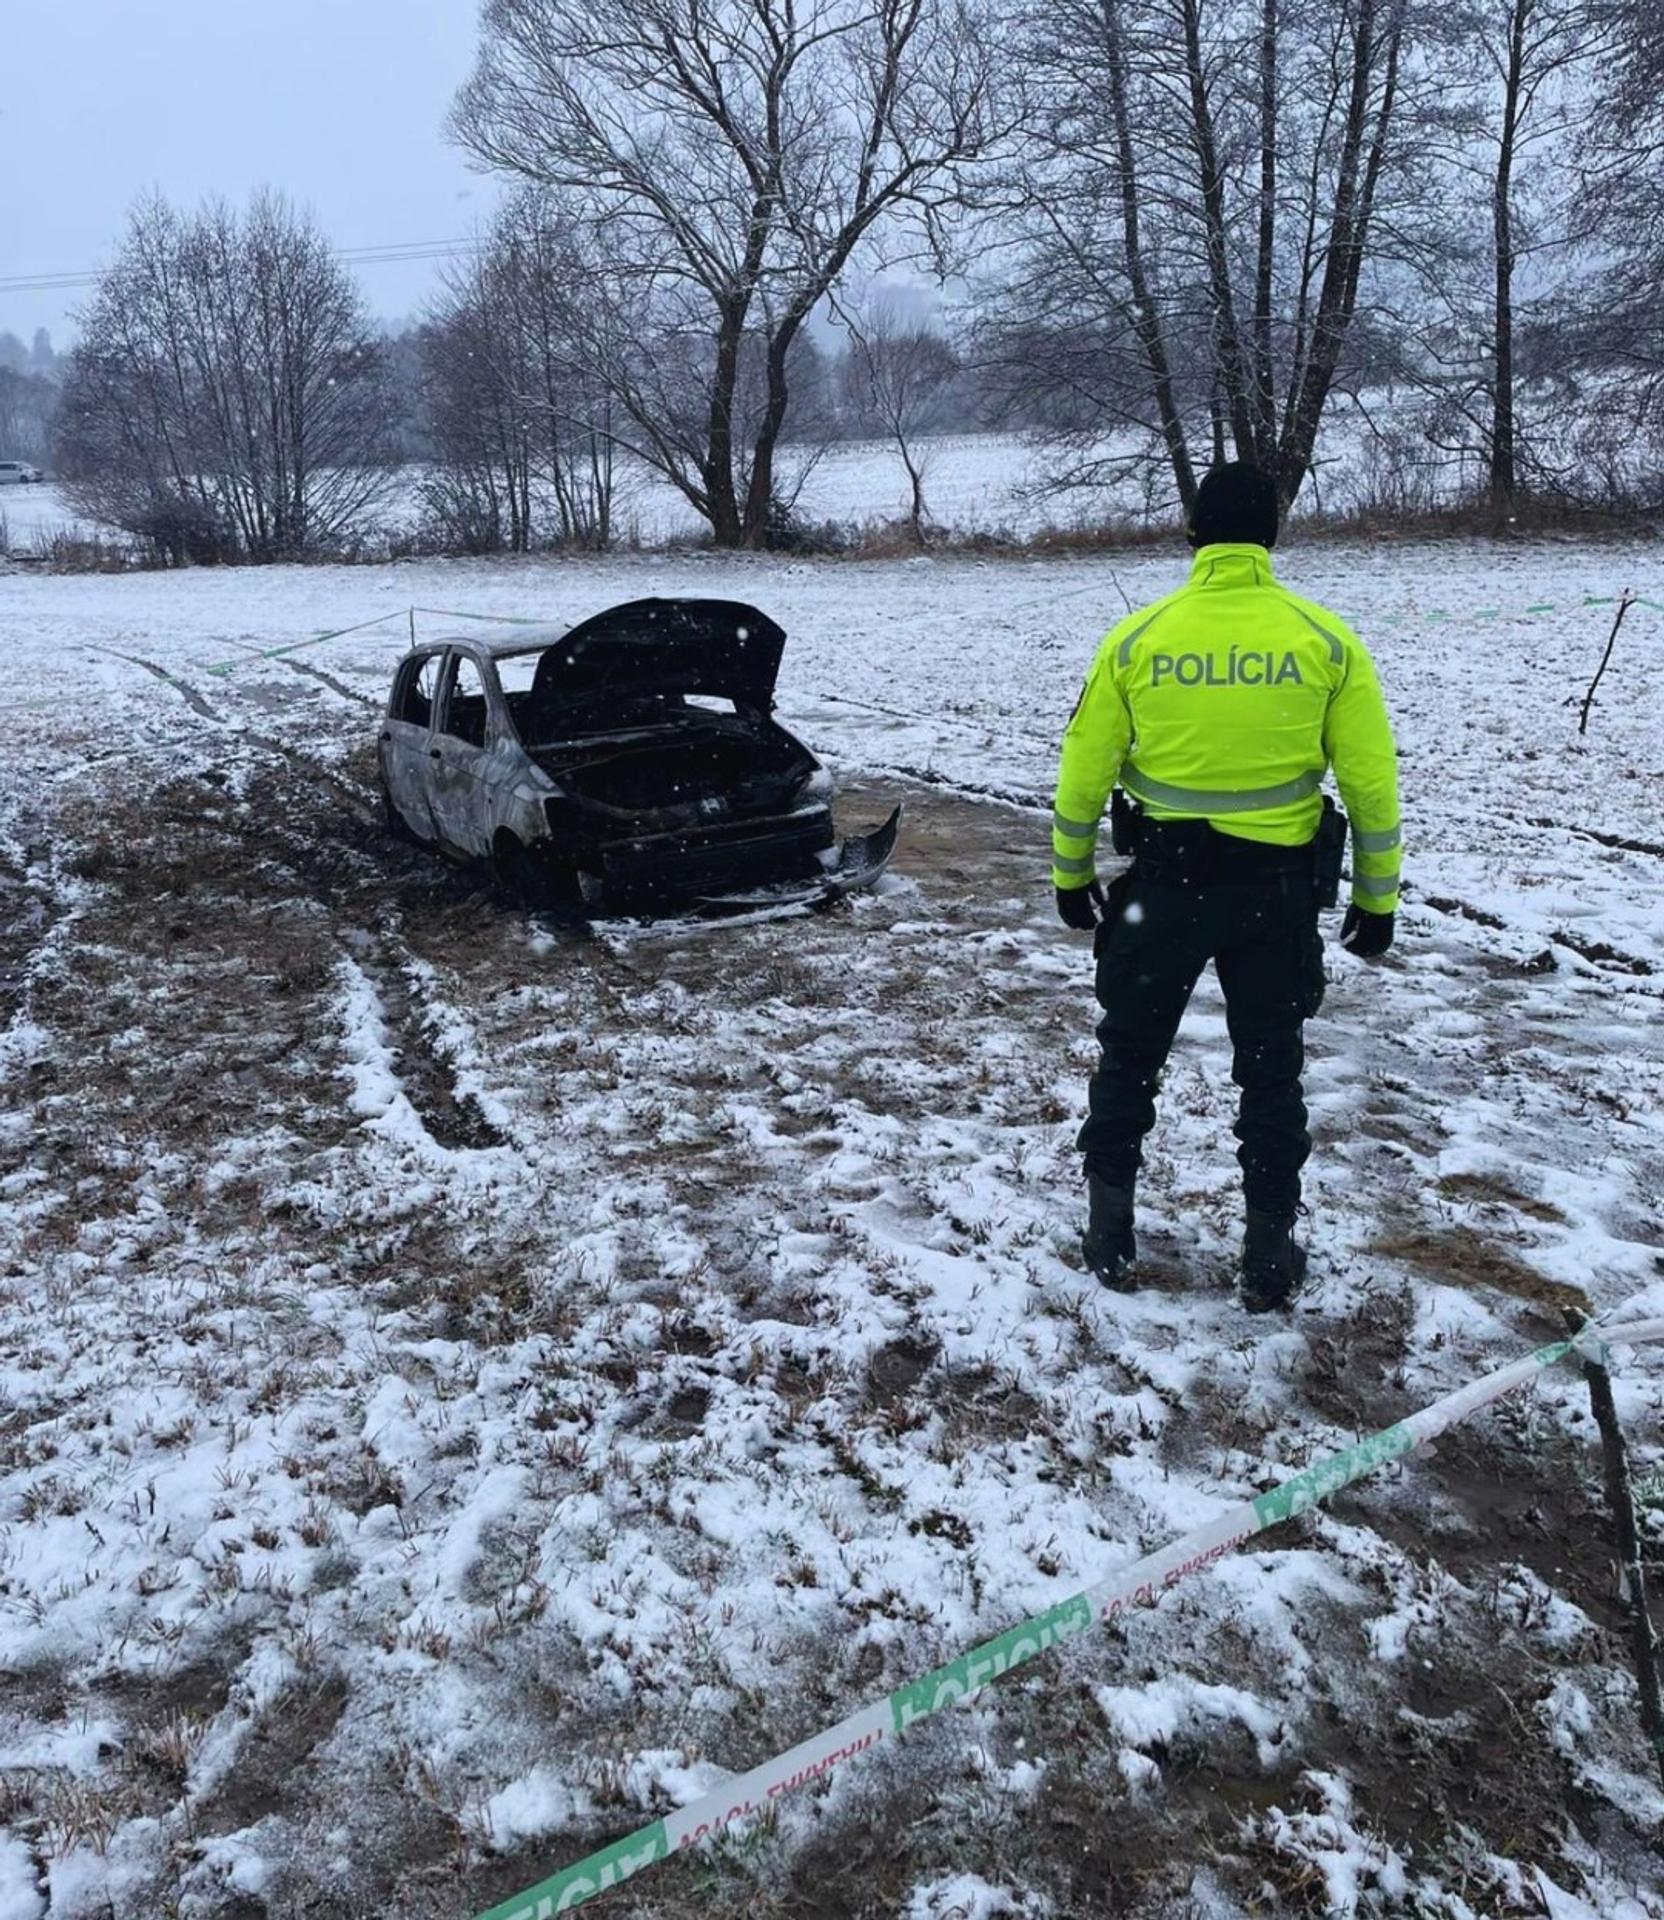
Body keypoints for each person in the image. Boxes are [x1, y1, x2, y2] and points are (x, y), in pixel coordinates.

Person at [1050, 462, 1401, 1311]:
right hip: (1275, 898)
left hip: (1161, 890)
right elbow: (1370, 783)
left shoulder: (1138, 639)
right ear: (1271, 536)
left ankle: (1108, 1234)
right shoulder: (1324, 640)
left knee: (1128, 1056)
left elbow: (1082, 773)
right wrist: (1377, 897)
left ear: (1194, 533)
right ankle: (1270, 1256)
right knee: (1271, 1073)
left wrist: (1070, 875)